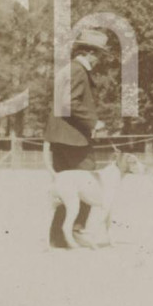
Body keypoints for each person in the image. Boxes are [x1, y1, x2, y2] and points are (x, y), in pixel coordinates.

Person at [44, 29, 110, 248]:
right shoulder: (79, 70)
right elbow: (68, 102)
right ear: (90, 52)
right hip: (74, 138)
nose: (100, 60)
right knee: (88, 183)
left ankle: (58, 237)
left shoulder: (68, 69)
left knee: (66, 187)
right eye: (99, 55)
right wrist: (94, 122)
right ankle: (77, 230)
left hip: (59, 136)